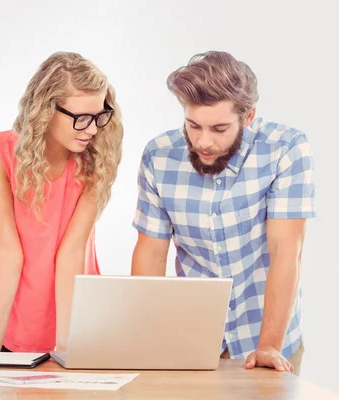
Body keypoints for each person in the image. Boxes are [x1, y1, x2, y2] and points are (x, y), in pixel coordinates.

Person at [131, 51, 316, 375]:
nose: (203, 141)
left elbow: (286, 252)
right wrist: (145, 339)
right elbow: (151, 253)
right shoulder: (159, 156)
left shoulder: (285, 149)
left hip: (268, 334)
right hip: (190, 340)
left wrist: (269, 345)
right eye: (193, 125)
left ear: (247, 117)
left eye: (219, 128)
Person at [0, 52, 123, 354]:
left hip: (76, 321)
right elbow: (8, 247)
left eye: (99, 116)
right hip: (20, 321)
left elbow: (72, 250)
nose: (93, 129)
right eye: (81, 118)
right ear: (46, 109)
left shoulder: (96, 159)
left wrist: (66, 347)